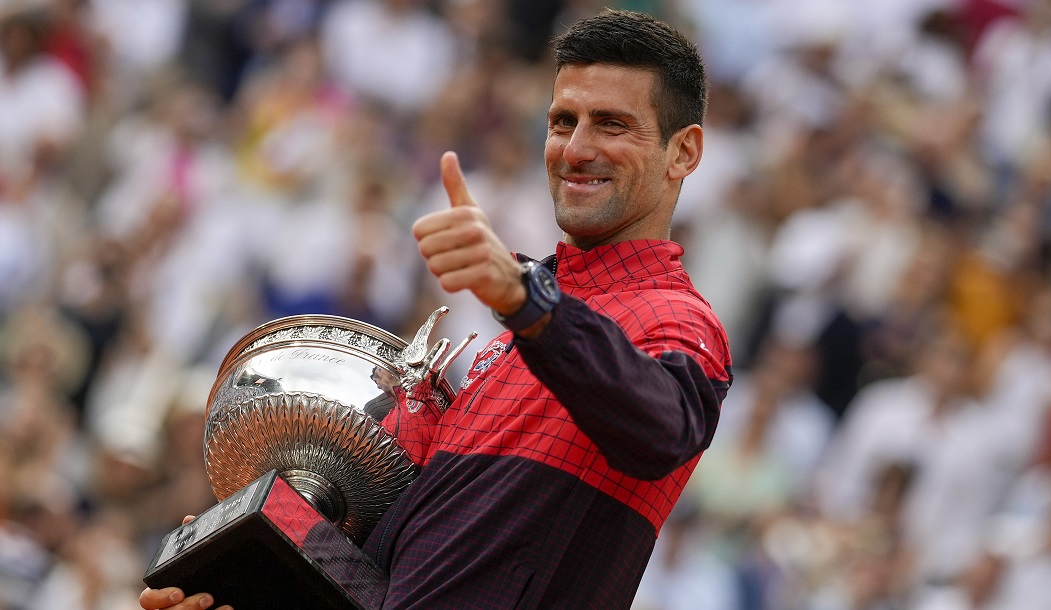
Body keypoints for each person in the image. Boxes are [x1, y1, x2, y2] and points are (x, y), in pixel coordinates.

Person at [140, 9, 732, 609]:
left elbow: (663, 430)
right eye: (562, 121)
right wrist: (254, 575)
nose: (575, 149)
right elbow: (405, 581)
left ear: (682, 152)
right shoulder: (520, 334)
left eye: (611, 125)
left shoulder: (675, 320)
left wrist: (528, 300)